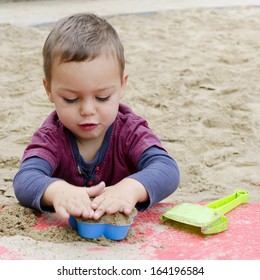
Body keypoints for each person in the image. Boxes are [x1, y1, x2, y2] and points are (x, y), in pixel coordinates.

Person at [13, 13, 179, 221]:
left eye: (102, 97)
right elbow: (25, 180)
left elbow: (167, 169)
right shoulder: (51, 137)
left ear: (121, 86)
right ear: (49, 91)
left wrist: (130, 188)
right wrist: (57, 191)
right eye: (71, 99)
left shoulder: (129, 131)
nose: (88, 110)